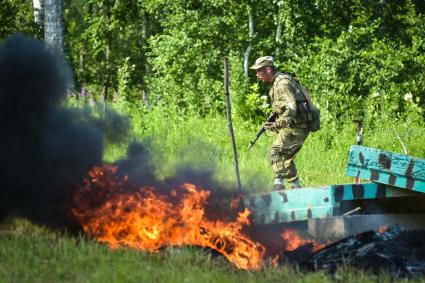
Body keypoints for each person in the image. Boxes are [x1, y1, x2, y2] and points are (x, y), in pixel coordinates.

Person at [251, 56, 309, 190]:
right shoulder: (278, 81)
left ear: (268, 69)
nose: (257, 74)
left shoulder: (281, 84)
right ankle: (296, 188)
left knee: (275, 152)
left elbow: (291, 108)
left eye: (259, 70)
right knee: (286, 159)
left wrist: (277, 124)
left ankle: (278, 186)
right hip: (296, 125)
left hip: (297, 126)